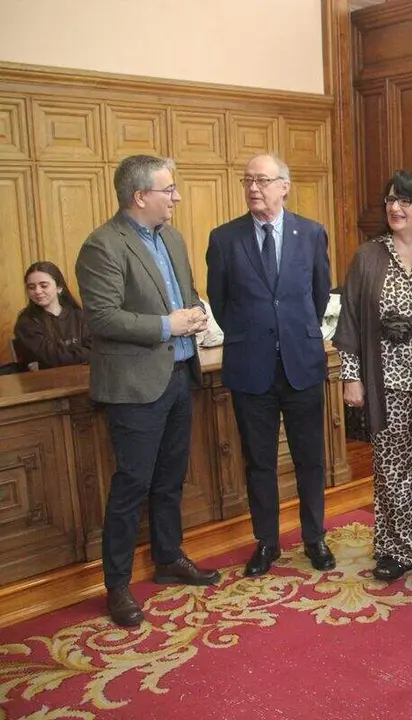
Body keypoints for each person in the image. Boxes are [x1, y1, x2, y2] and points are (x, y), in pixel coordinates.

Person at [75, 154, 219, 627]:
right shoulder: (102, 245)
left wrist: (195, 313)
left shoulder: (172, 238)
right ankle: (116, 585)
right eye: (168, 189)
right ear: (140, 196)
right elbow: (102, 318)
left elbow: (186, 292)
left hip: (179, 376)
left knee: (171, 478)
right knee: (132, 484)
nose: (176, 197)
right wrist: (167, 325)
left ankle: (169, 558)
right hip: (135, 386)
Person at [205, 154, 335, 578]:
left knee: (310, 458)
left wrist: (290, 331)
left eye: (262, 180)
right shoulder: (224, 238)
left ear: (284, 186)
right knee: (259, 462)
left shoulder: (311, 233)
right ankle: (267, 542)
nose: (253, 188)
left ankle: (314, 537)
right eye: (248, 181)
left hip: (301, 364)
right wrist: (255, 334)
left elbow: (319, 295)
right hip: (251, 367)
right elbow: (220, 303)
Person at [333, 170, 412, 582]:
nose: (395, 207)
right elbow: (350, 322)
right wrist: (352, 377)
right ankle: (396, 548)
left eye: (405, 200)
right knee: (391, 467)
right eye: (391, 199)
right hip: (385, 383)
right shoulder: (368, 256)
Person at [14, 261, 91, 370]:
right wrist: (85, 355)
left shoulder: (79, 315)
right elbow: (53, 359)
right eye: (31, 287)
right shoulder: (26, 323)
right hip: (47, 379)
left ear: (59, 287)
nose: (37, 291)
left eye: (43, 286)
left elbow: (98, 350)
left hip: (84, 376)